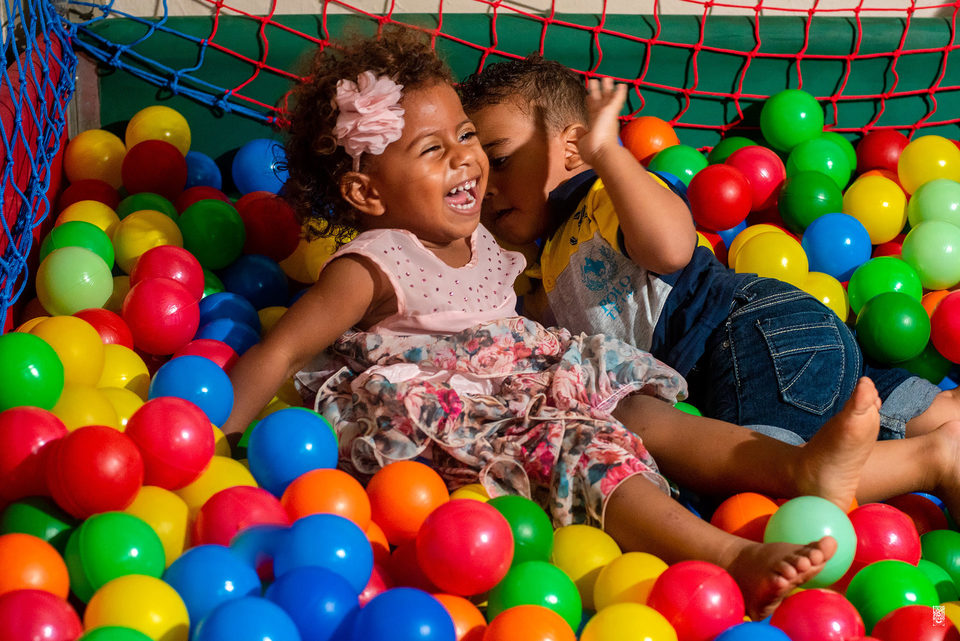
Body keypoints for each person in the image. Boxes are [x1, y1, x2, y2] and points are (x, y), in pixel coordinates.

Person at [218, 30, 942, 620]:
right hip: (475, 409)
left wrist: (603, 157)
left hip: (582, 367)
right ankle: (730, 555)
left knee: (643, 412)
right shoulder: (374, 264)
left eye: (468, 138)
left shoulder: (510, 240)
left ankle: (797, 466)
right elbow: (286, 344)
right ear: (366, 191)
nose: (469, 163)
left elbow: (609, 269)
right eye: (433, 151)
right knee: (581, 447)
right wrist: (219, 437)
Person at [459, 55, 960, 445]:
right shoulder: (545, 255)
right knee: (914, 414)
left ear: (573, 147)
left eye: (499, 160)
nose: (488, 188)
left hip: (746, 339)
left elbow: (672, 249)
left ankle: (898, 462)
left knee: (758, 479)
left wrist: (609, 154)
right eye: (476, 176)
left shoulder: (603, 196)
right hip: (776, 348)